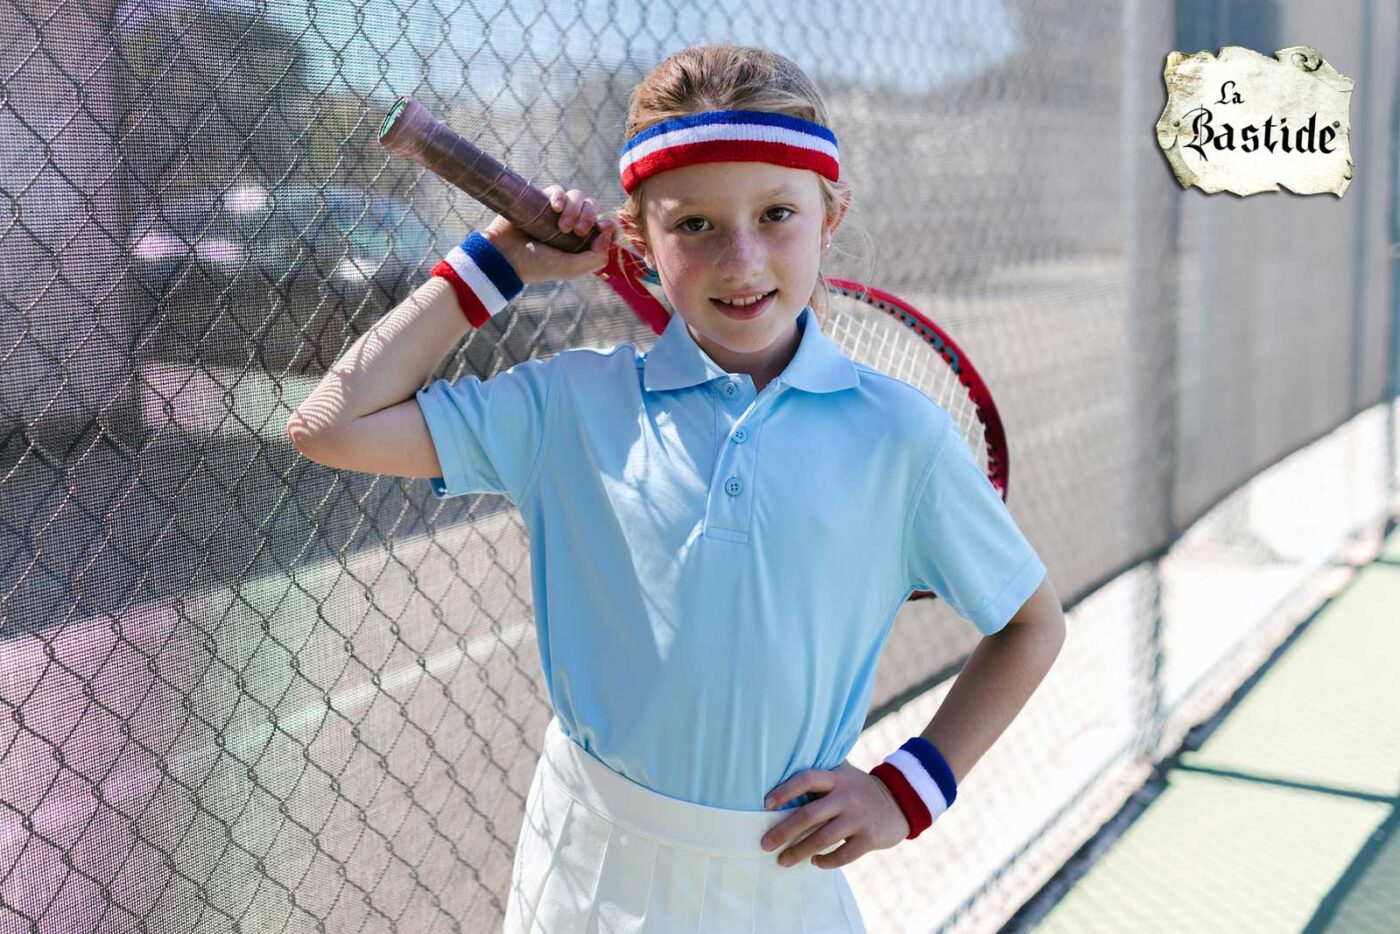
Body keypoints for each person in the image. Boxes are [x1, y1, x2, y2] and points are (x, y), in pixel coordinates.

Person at [288, 43, 1066, 934]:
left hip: (778, 877)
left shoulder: (900, 436)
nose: (740, 260)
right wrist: (501, 262)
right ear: (636, 240)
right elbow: (330, 425)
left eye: (776, 213)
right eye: (693, 224)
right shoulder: (569, 404)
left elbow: (1030, 624)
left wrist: (907, 788)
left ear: (832, 214)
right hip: (582, 867)